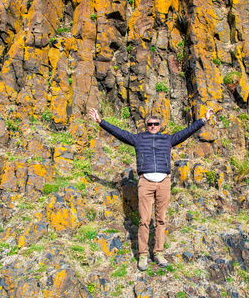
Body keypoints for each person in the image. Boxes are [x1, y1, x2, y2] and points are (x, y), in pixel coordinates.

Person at [88, 107, 213, 271]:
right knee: (144, 220)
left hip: (164, 182)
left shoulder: (168, 139)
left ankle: (159, 253)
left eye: (155, 124)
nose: (153, 126)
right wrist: (100, 121)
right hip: (145, 182)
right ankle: (143, 255)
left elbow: (186, 132)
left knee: (161, 219)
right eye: (150, 124)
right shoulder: (138, 139)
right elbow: (119, 133)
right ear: (146, 126)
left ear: (159, 126)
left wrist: (203, 120)